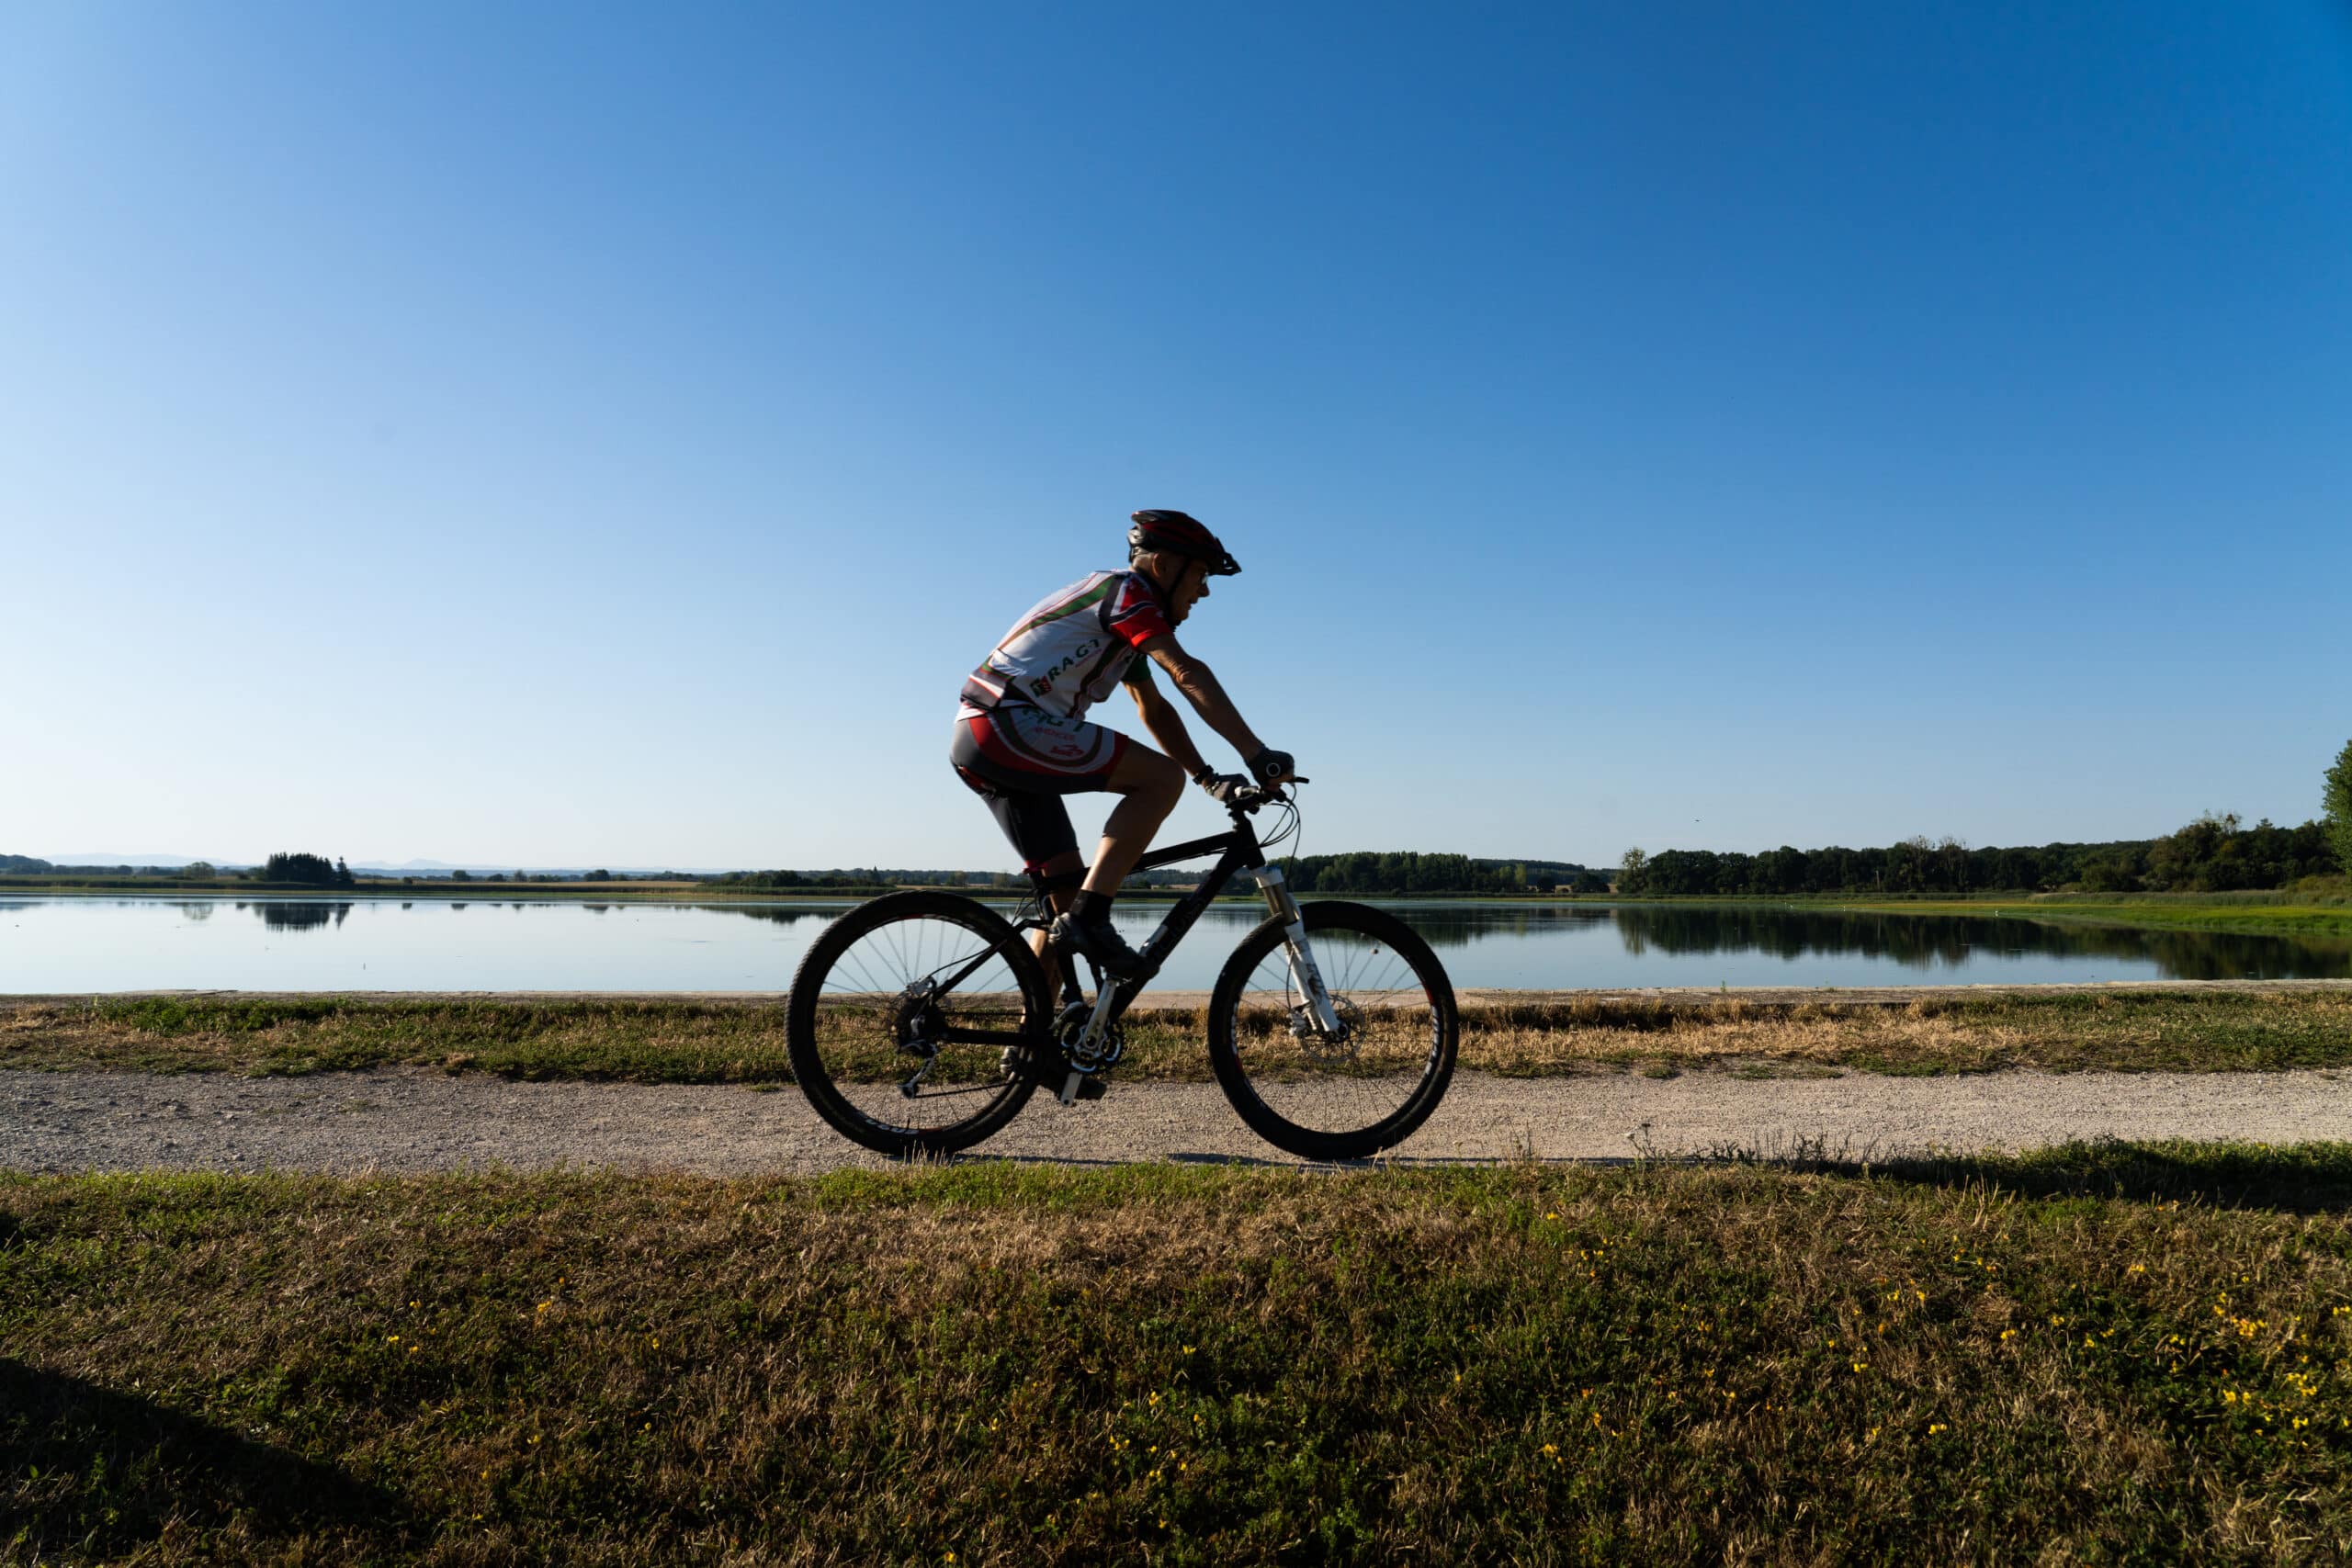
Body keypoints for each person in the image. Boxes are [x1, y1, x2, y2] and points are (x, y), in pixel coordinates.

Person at [950, 509, 1297, 981]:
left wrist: (1208, 779)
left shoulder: (1119, 620)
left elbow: (1153, 708)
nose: (1204, 591)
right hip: (1005, 725)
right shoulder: (1127, 593)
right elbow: (1185, 672)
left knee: (1064, 907)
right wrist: (1257, 754)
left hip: (987, 738)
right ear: (1163, 566)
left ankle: (1041, 1024)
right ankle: (1092, 917)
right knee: (1160, 779)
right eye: (1200, 575)